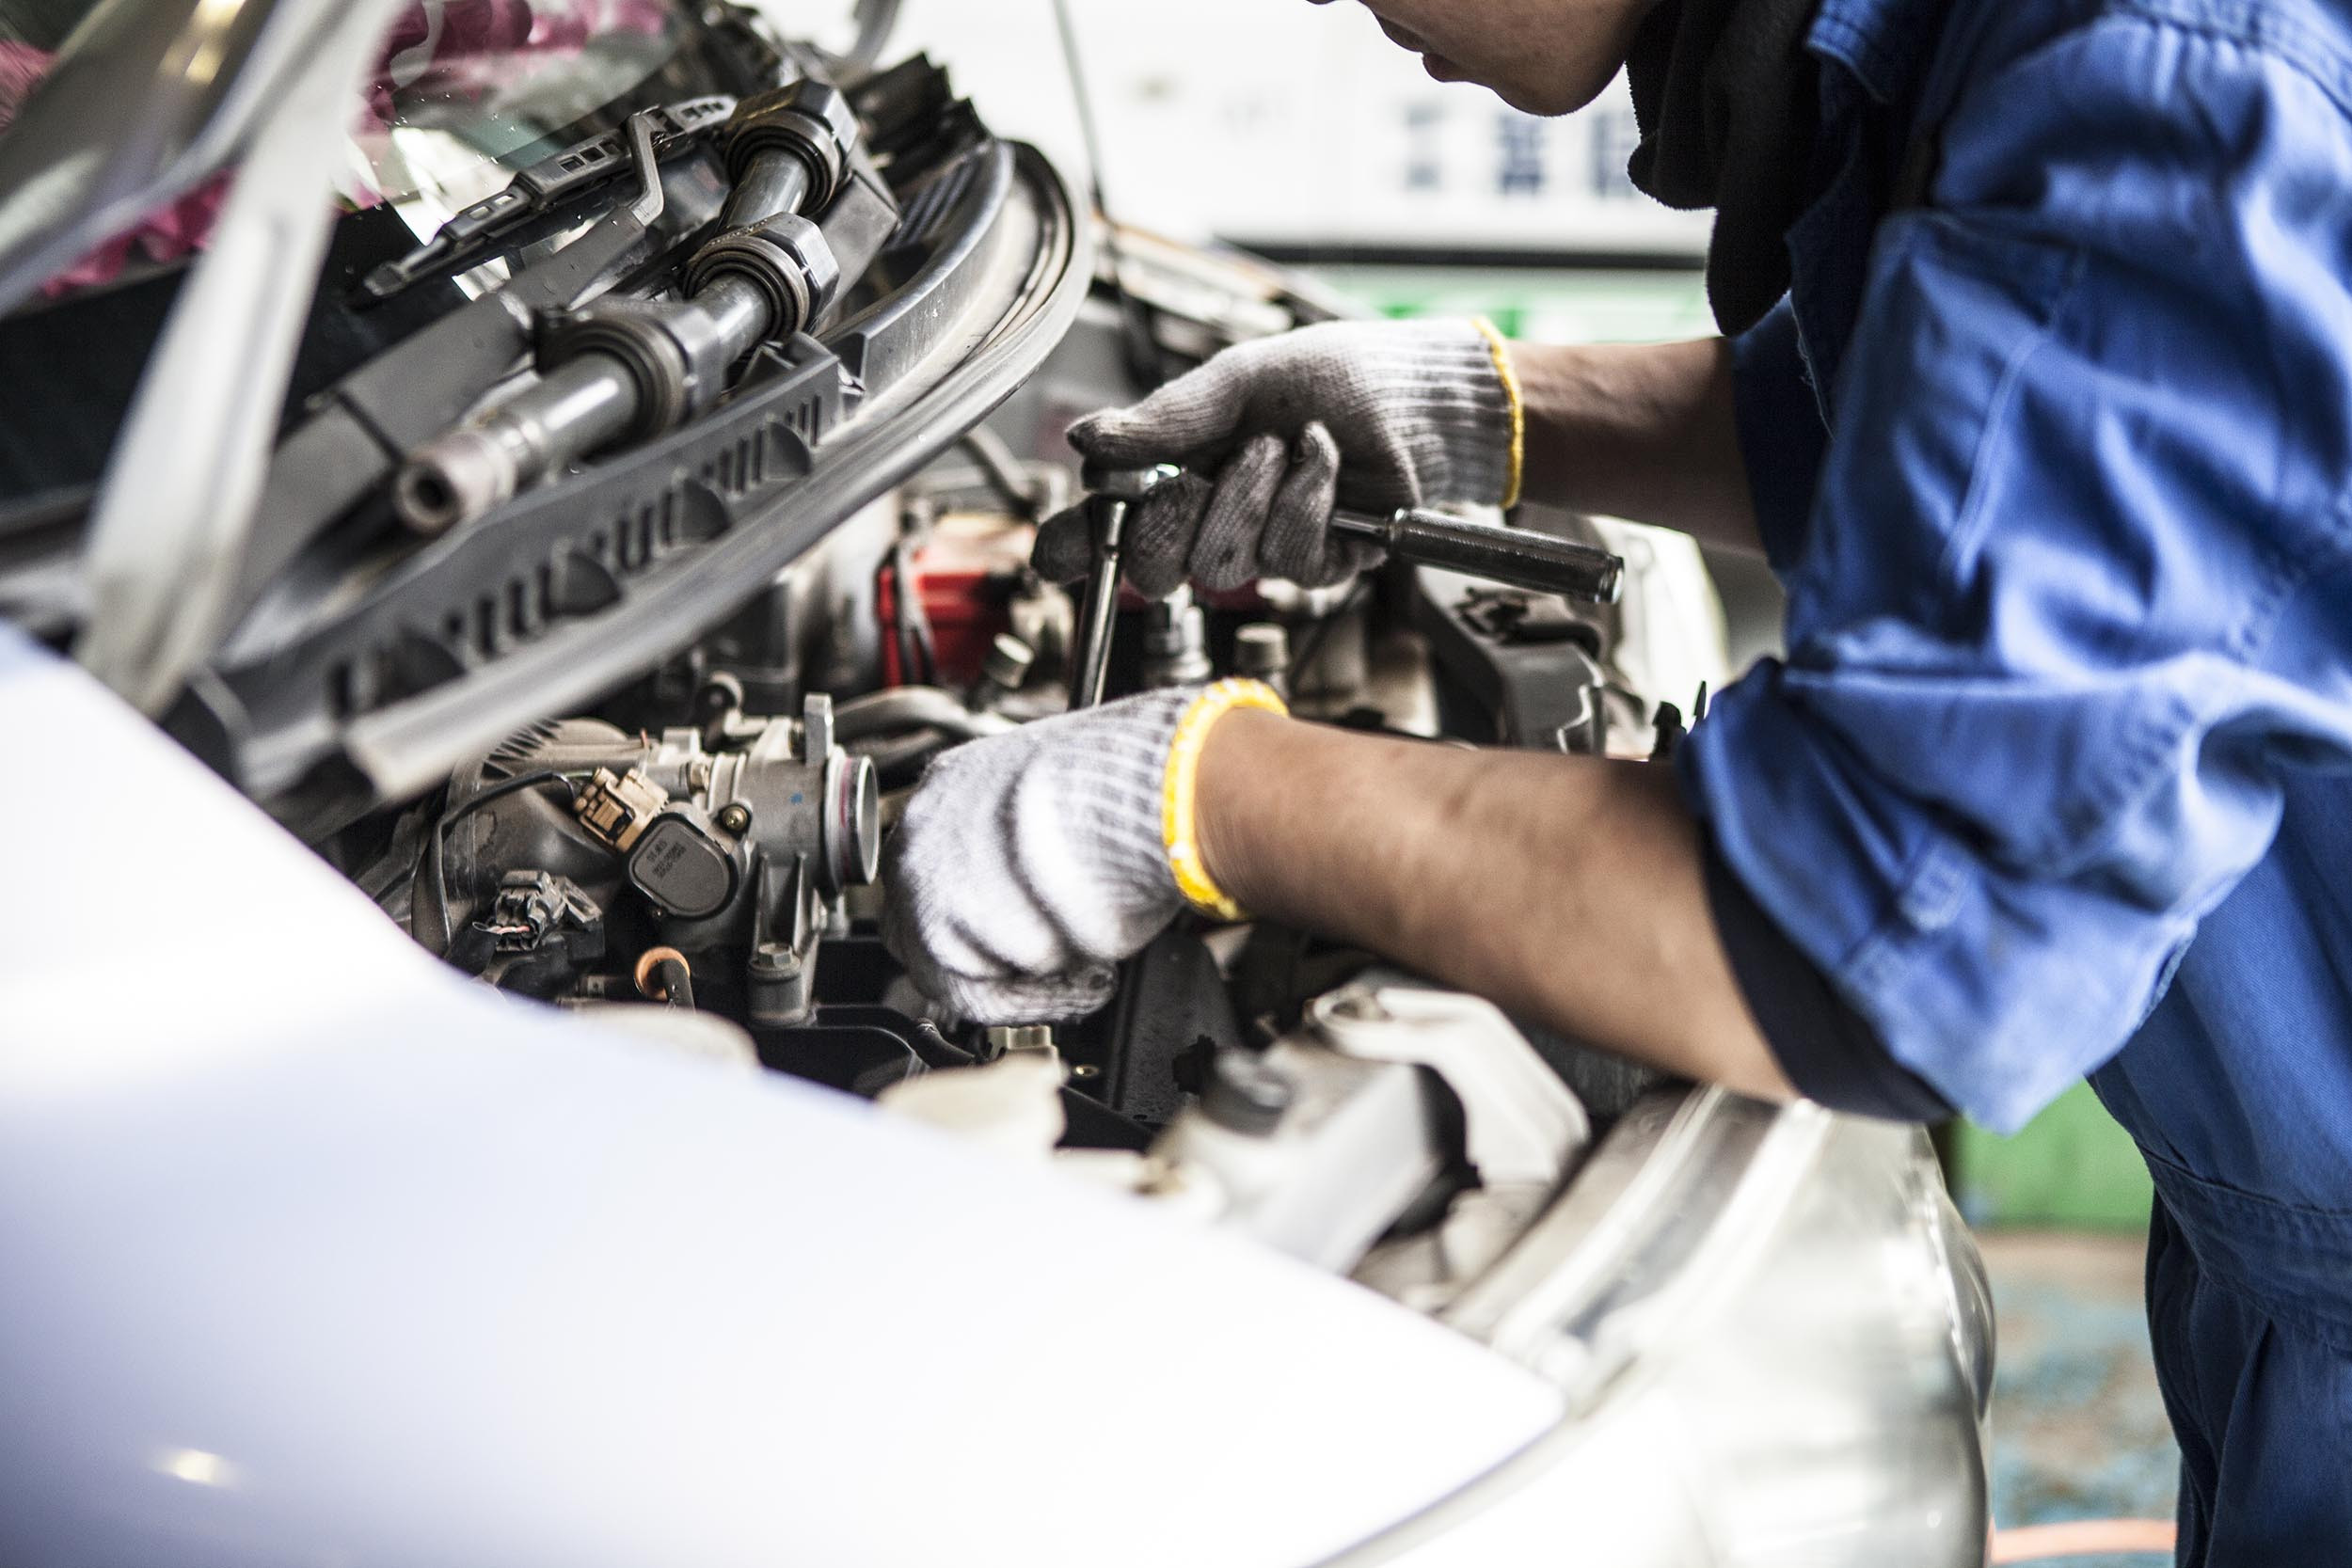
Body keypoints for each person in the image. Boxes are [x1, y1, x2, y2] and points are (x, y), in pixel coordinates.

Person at [882, 0, 2352, 1560]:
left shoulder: (2165, 72)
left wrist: (1198, 796)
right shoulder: (2019, 49)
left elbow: (1866, 933)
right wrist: (1475, 415)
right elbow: (1947, 432)